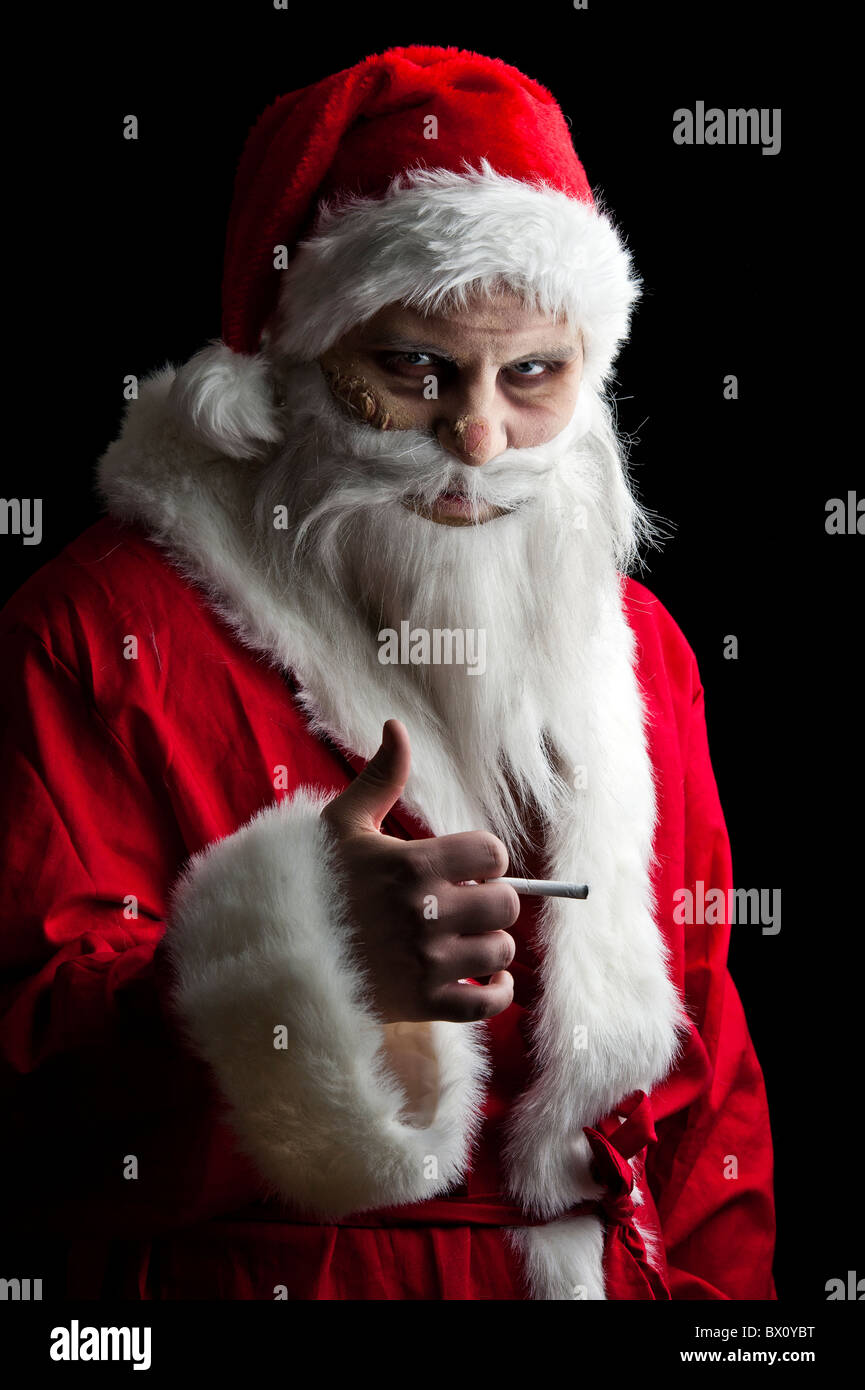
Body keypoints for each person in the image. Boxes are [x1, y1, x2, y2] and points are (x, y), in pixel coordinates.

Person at [0, 44, 776, 1300]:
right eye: (412, 370)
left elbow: (709, 1098)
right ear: (293, 370)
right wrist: (299, 965)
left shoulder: (643, 651)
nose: (477, 439)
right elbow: (30, 1114)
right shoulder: (96, 630)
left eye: (532, 375)